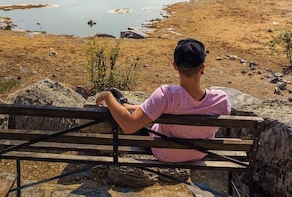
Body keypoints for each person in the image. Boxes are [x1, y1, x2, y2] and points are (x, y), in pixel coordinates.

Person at [95, 38, 231, 163]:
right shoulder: (221, 100)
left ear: (175, 66)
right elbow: (192, 107)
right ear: (203, 68)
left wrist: (107, 96)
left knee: (142, 122)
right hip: (199, 153)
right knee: (151, 112)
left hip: (164, 153)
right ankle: (132, 106)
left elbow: (129, 126)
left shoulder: (166, 95)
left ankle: (123, 104)